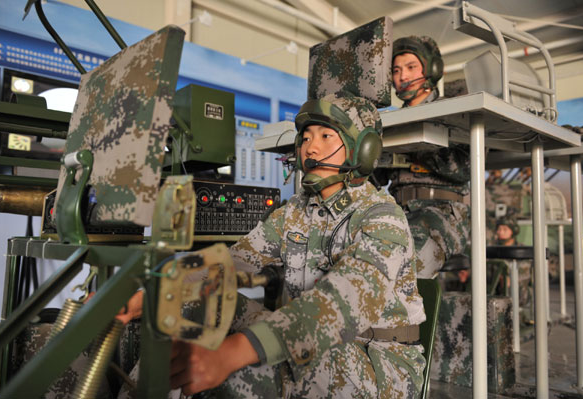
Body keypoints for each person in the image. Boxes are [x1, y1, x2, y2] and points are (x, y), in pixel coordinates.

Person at [118, 93, 426, 398]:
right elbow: (231, 263)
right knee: (200, 303)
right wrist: (151, 296)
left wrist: (230, 354)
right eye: (305, 138)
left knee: (242, 373)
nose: (311, 147)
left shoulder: (382, 216)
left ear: (363, 151)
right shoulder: (295, 211)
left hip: (379, 365)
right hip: (314, 341)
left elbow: (340, 305)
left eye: (326, 136)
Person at [380, 35, 471, 279]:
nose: (403, 76)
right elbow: (377, 176)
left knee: (402, 268)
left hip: (442, 212)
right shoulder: (390, 121)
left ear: (430, 70)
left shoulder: (454, 111)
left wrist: (413, 135)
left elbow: (463, 168)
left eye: (411, 67)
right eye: (396, 70)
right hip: (399, 211)